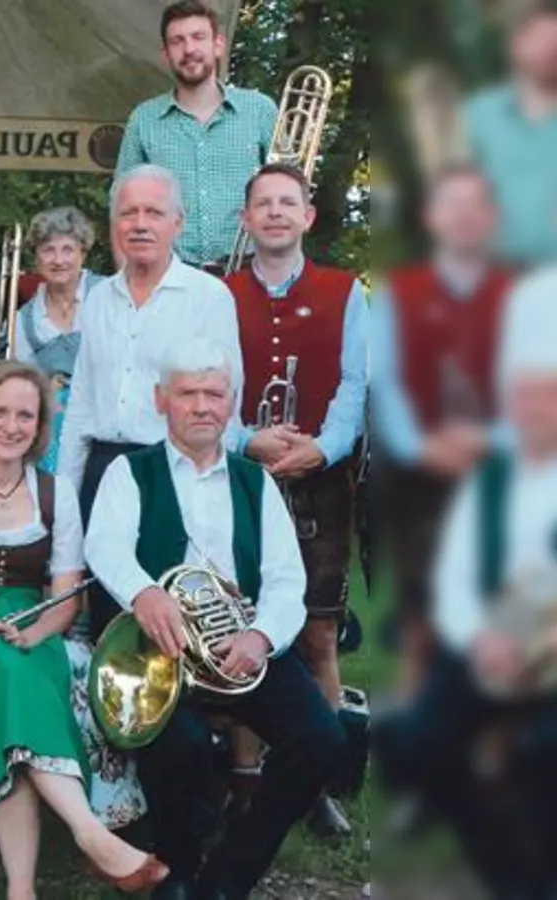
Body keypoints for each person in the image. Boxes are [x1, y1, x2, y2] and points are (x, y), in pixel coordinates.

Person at [82, 336, 347, 900]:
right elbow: (105, 546)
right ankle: (177, 867)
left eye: (214, 393)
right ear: (161, 401)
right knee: (179, 743)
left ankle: (230, 876)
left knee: (321, 737)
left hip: (240, 647)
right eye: (187, 394)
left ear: (231, 404)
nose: (202, 405)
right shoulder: (131, 473)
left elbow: (285, 579)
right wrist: (144, 594)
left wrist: (260, 636)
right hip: (163, 647)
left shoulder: (256, 483)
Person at [0, 360, 166, 898]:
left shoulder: (56, 493)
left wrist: (37, 633)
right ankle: (92, 834)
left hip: (32, 632)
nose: (11, 425)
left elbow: (64, 600)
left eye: (25, 414)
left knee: (15, 706)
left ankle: (22, 890)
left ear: (40, 424)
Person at [374, 258, 557, 899]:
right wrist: (482, 640)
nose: (537, 408)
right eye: (526, 396)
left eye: (550, 396)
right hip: (492, 649)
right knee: (414, 745)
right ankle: (505, 872)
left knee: (542, 757)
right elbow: (454, 586)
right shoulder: (490, 480)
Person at [226, 161, 368, 836]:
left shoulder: (346, 291)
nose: (276, 213)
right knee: (247, 625)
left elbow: (354, 386)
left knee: (316, 633)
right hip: (244, 477)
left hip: (318, 479)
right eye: (264, 204)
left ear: (308, 216)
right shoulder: (217, 294)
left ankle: (319, 780)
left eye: (289, 202)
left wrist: (324, 448)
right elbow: (212, 390)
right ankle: (249, 778)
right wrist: (247, 440)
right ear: (246, 219)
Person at [55, 163, 248, 640]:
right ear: (114, 225)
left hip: (173, 473)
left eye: (154, 213)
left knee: (178, 626)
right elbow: (81, 404)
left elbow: (229, 401)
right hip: (103, 471)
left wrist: (219, 498)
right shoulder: (97, 299)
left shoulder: (208, 296)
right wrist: (65, 500)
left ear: (176, 223)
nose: (140, 223)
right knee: (108, 620)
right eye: (129, 213)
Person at [369, 164, 513, 695]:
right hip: (420, 468)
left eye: (476, 206)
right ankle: (417, 686)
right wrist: (420, 446)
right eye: (452, 205)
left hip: (504, 461)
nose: (464, 218)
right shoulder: (398, 293)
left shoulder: (521, 293)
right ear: (432, 217)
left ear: (492, 218)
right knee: (421, 581)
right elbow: (385, 382)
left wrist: (490, 442)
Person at [114, 1, 279, 269]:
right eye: (177, 41)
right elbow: (121, 206)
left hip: (251, 271)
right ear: (166, 53)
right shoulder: (143, 120)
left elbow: (289, 197)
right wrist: (128, 280)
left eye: (198, 37)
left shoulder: (259, 110)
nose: (189, 49)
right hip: (168, 273)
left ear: (218, 44)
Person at [9, 206, 106, 474]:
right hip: (53, 424)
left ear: (83, 253)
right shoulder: (23, 320)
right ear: (36, 259)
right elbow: (21, 383)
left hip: (104, 415)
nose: (58, 259)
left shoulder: (108, 296)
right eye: (48, 250)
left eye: (67, 249)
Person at [463, 1, 557, 269]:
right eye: (540, 39)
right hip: (499, 275)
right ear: (515, 44)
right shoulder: (479, 115)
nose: (550, 51)